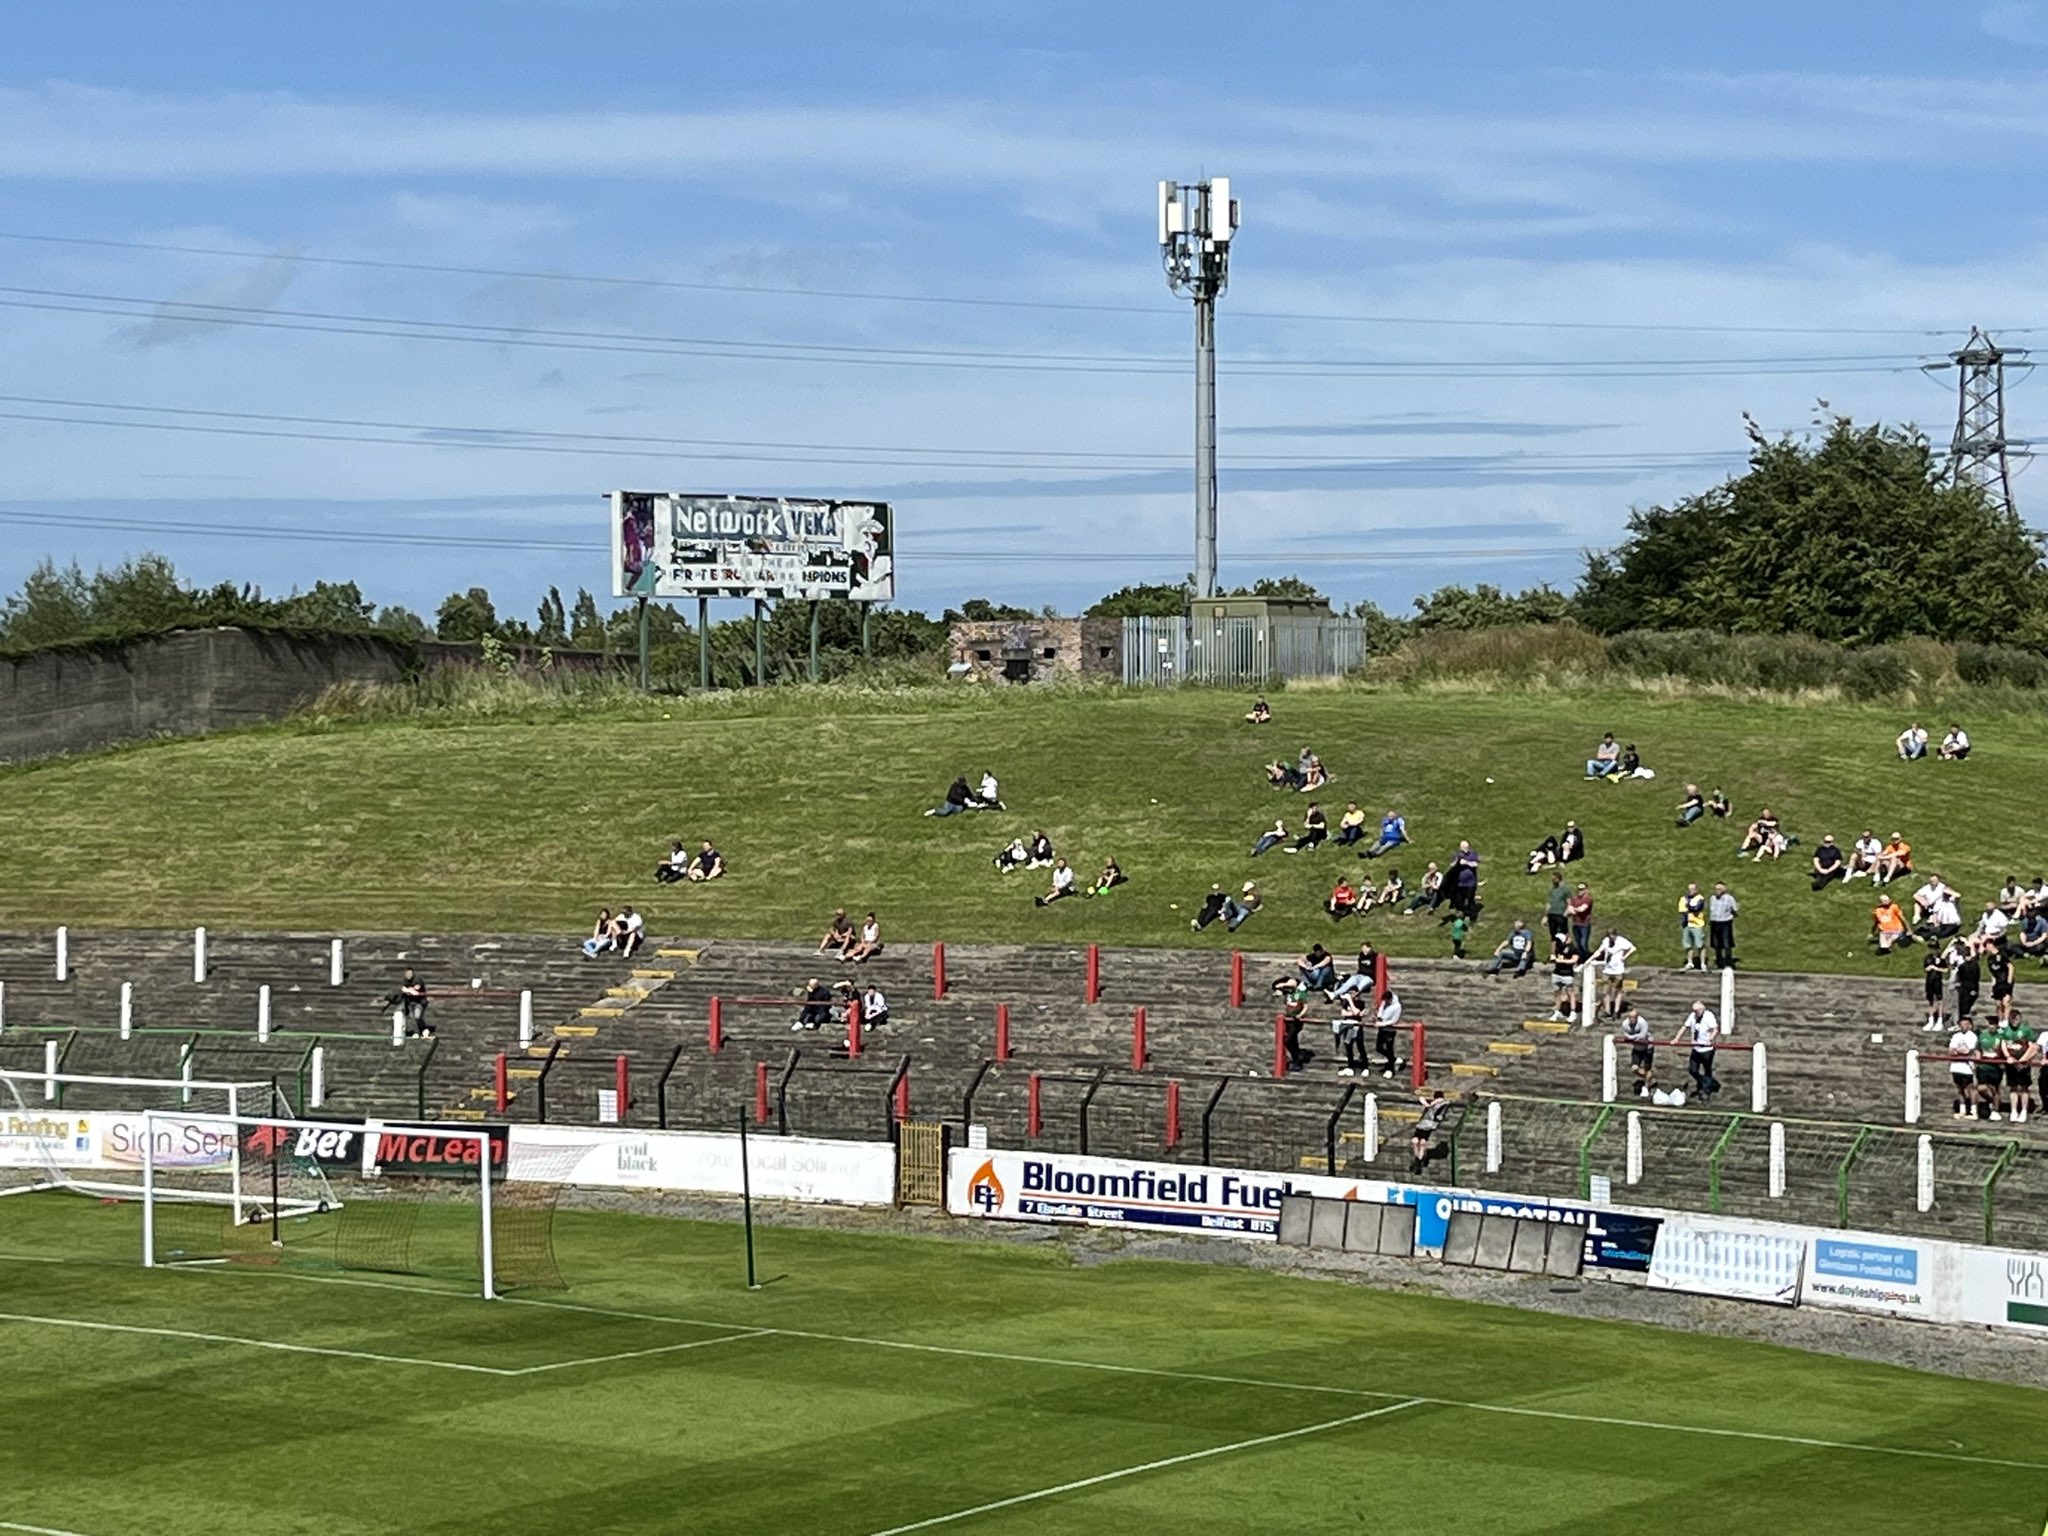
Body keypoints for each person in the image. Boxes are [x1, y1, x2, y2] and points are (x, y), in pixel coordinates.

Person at [1672, 1000, 1721, 1099]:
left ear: (1702, 1009)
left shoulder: (1708, 1016)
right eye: (1694, 1011)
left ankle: (1706, 1090)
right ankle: (1706, 1083)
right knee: (1692, 1070)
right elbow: (1684, 1027)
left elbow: (1715, 1029)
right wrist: (1676, 1039)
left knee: (1707, 1070)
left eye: (1697, 1011)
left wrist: (1711, 1038)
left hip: (1707, 1050)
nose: (1695, 1013)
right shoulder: (1692, 1016)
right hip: (1696, 1048)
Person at [1590, 928, 1636, 1021]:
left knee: (1617, 991)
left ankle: (1616, 1011)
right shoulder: (1606, 941)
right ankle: (1607, 1011)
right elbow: (1600, 951)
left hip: (1618, 970)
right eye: (1609, 935)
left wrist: (1624, 957)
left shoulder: (1622, 941)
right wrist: (1591, 959)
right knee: (1605, 991)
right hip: (1607, 970)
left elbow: (1632, 948)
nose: (1611, 937)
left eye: (1612, 935)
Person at [1409, 1085, 1450, 1174]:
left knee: (1422, 1141)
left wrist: (1429, 1105)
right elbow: (1422, 1099)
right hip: (1423, 1124)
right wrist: (1428, 1104)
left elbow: (1440, 1102)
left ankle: (1419, 1160)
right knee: (1416, 1141)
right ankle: (1418, 1158)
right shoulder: (1433, 1104)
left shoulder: (1442, 1104)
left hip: (1429, 1125)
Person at [1618, 1004, 1656, 1097]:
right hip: (1637, 1048)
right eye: (1630, 1017)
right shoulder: (1625, 1024)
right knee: (1634, 1068)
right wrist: (1634, 1038)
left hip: (1647, 1047)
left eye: (1634, 1017)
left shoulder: (1643, 1023)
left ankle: (1646, 1087)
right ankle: (1649, 1079)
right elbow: (1626, 1035)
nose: (1632, 1020)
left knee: (1648, 1068)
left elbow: (1642, 1036)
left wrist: (1632, 1038)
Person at [1949, 1016, 1979, 1117]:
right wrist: (1958, 1051)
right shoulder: (1955, 1036)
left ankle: (1973, 1110)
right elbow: (1951, 1051)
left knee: (1971, 1089)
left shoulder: (1973, 1036)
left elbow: (1967, 1051)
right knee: (1960, 1089)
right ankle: (1962, 1110)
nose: (1964, 1026)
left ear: (1970, 1025)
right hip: (1956, 1066)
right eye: (1962, 1024)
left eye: (1966, 1024)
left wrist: (1957, 1051)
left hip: (1968, 1067)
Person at [1332, 992, 1368, 1077]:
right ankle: (1350, 1066)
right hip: (1347, 1026)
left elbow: (1356, 1012)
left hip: (1356, 1026)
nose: (1351, 995)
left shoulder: (1360, 1003)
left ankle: (1365, 1066)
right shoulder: (1346, 1003)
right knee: (1348, 1045)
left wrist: (1350, 1002)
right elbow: (1343, 1013)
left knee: (1360, 1046)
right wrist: (1352, 1012)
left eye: (1353, 993)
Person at [1549, 933, 1580, 1022]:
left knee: (1570, 992)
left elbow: (1574, 960)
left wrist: (1563, 961)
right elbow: (1555, 957)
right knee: (1557, 993)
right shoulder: (1559, 947)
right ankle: (1557, 1011)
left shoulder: (1573, 949)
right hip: (1557, 973)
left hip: (1567, 974)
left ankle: (1573, 1012)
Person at [1373, 989, 1403, 1077]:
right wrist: (1378, 1017)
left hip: (1390, 1030)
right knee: (1379, 1048)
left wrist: (1382, 1024)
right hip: (1382, 1028)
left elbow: (1394, 1020)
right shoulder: (1384, 1002)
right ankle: (1394, 1059)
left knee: (1389, 1049)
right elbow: (1381, 1011)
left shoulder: (1397, 1006)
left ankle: (1391, 1068)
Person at [1677, 883, 1708, 970]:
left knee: (1700, 944)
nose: (1691, 891)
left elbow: (1696, 908)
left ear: (1697, 890)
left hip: (1697, 924)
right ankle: (1690, 962)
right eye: (1689, 889)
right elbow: (1682, 910)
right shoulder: (1683, 898)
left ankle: (1703, 964)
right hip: (1686, 924)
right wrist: (1690, 908)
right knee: (1688, 944)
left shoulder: (1700, 898)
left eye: (1693, 889)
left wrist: (1689, 907)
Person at [1709, 882, 1739, 971]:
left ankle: (1728, 962)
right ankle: (1719, 962)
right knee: (1716, 944)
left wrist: (1729, 917)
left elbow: (1735, 910)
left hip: (1725, 923)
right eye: (1716, 889)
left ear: (1724, 890)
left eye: (1719, 889)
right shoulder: (1712, 898)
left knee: (1726, 943)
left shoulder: (1729, 899)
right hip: (1715, 923)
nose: (1717, 891)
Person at [1448, 840, 1482, 919]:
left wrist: (1466, 862)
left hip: (1470, 883)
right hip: (1459, 883)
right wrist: (1458, 862)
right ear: (1460, 848)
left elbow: (1476, 864)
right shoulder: (1456, 855)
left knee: (1470, 899)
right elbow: (1451, 864)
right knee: (1459, 900)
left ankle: (1473, 915)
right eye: (1464, 847)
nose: (1466, 849)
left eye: (1467, 847)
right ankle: (1461, 915)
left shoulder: (1473, 854)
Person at [396, 968, 431, 1037]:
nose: (409, 975)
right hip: (411, 1002)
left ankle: (424, 1029)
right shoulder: (404, 980)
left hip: (420, 1002)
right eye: (407, 974)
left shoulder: (417, 979)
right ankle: (419, 1031)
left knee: (417, 1016)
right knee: (412, 1018)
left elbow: (417, 988)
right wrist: (410, 991)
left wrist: (409, 990)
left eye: (410, 974)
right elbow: (403, 989)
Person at [1923, 943, 1949, 1031]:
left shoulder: (1941, 959)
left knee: (1939, 1000)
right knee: (1930, 1000)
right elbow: (1925, 968)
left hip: (1937, 981)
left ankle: (1939, 1020)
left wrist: (1936, 968)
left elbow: (1945, 970)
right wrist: (1929, 968)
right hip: (1929, 981)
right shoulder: (1928, 958)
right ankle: (1930, 1020)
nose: (1933, 950)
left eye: (1934, 949)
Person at [1566, 883, 1594, 957]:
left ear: (1586, 890)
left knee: (1583, 944)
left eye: (1582, 889)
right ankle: (1582, 959)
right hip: (1576, 924)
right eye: (1579, 889)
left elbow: (1582, 909)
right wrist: (1575, 909)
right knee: (1578, 944)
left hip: (1585, 924)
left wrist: (1574, 909)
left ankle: (1588, 957)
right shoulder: (1574, 899)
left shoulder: (1588, 899)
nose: (1580, 891)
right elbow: (1569, 909)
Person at [1543, 871, 1570, 943]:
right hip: (1552, 914)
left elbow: (1569, 902)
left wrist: (1565, 913)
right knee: (1553, 935)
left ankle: (1564, 951)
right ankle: (1553, 953)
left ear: (1559, 879)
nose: (1553, 881)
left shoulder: (1565, 889)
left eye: (1554, 879)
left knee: (1563, 935)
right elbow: (1549, 903)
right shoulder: (1552, 890)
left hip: (1560, 914)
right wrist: (1545, 916)